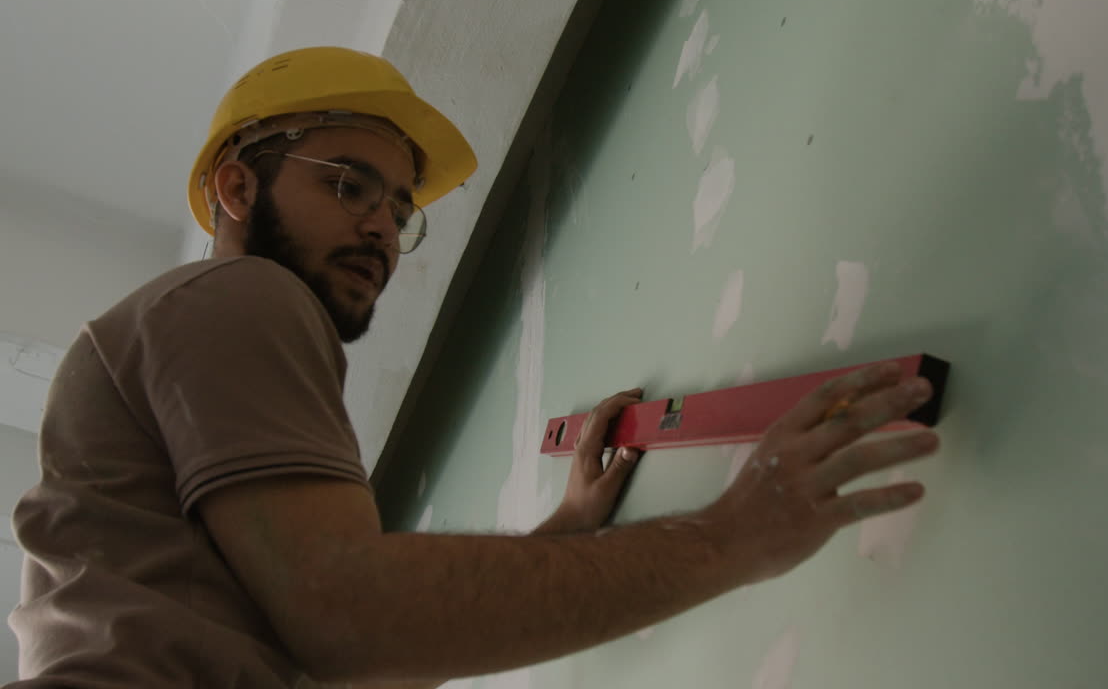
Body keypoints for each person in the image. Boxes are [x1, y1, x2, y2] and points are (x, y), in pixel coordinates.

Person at [6, 47, 940, 687]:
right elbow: (354, 616)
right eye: (349, 183)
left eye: (399, 208)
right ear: (238, 185)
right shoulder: (237, 294)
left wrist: (568, 531)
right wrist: (729, 538)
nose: (383, 226)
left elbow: (354, 650)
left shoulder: (197, 343)